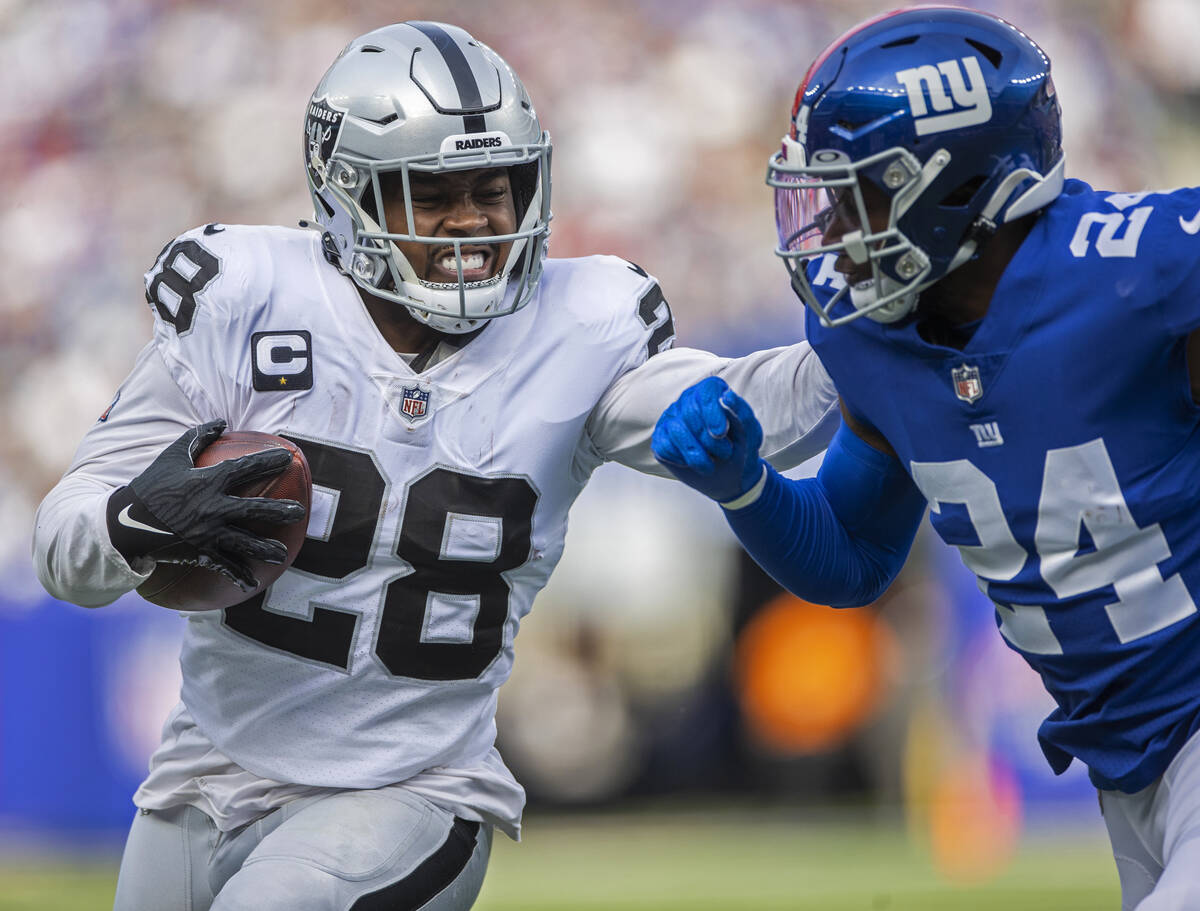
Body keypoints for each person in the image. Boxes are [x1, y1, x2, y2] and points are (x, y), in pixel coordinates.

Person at [32, 20, 838, 911]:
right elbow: (62, 547)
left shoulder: (584, 325)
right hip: (209, 768)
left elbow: (750, 413)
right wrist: (132, 524)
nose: (473, 220)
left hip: (413, 787)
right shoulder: (242, 301)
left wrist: (872, 335)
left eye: (494, 188)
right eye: (433, 193)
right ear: (349, 197)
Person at [653, 6, 1200, 909]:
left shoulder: (1139, 274)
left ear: (959, 187)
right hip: (1133, 760)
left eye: (859, 192)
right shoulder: (875, 336)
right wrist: (745, 486)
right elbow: (855, 558)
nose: (829, 226)